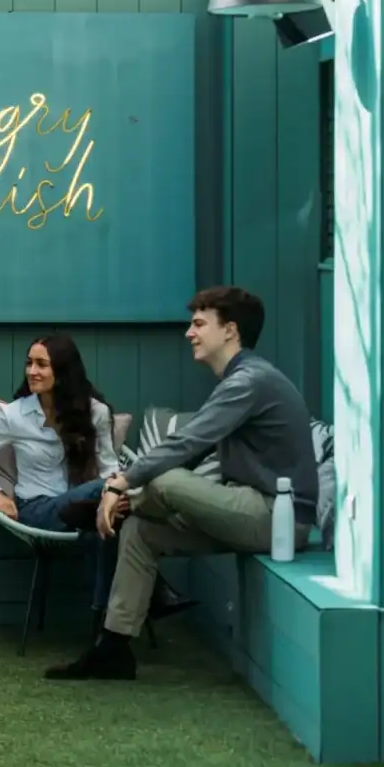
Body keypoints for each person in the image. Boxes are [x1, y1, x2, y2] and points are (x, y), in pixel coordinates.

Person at [56, 285, 319, 681]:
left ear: (229, 330)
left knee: (164, 481)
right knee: (141, 533)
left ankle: (112, 506)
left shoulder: (249, 381)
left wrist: (118, 486)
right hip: (245, 508)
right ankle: (113, 648)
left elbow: (186, 442)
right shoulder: (239, 380)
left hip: (276, 517)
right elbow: (195, 449)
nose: (189, 333)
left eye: (198, 324)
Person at [0, 333, 191, 676]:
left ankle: (105, 639)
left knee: (104, 527)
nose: (32, 371)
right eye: (29, 363)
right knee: (107, 496)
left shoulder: (95, 412)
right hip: (38, 510)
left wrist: (109, 500)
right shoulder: (15, 415)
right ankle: (156, 592)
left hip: (86, 506)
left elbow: (109, 466)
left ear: (64, 371)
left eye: (42, 364)